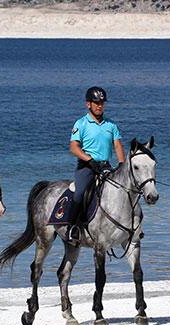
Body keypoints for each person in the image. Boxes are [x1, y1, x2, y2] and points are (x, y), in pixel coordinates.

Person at [67, 86, 125, 244]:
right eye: (96, 102)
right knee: (79, 194)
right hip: (86, 166)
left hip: (105, 166)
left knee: (123, 190)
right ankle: (73, 228)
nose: (100, 105)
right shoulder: (81, 123)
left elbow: (118, 145)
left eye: (102, 103)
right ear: (88, 104)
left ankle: (128, 225)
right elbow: (73, 147)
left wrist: (121, 165)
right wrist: (89, 160)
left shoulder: (111, 125)